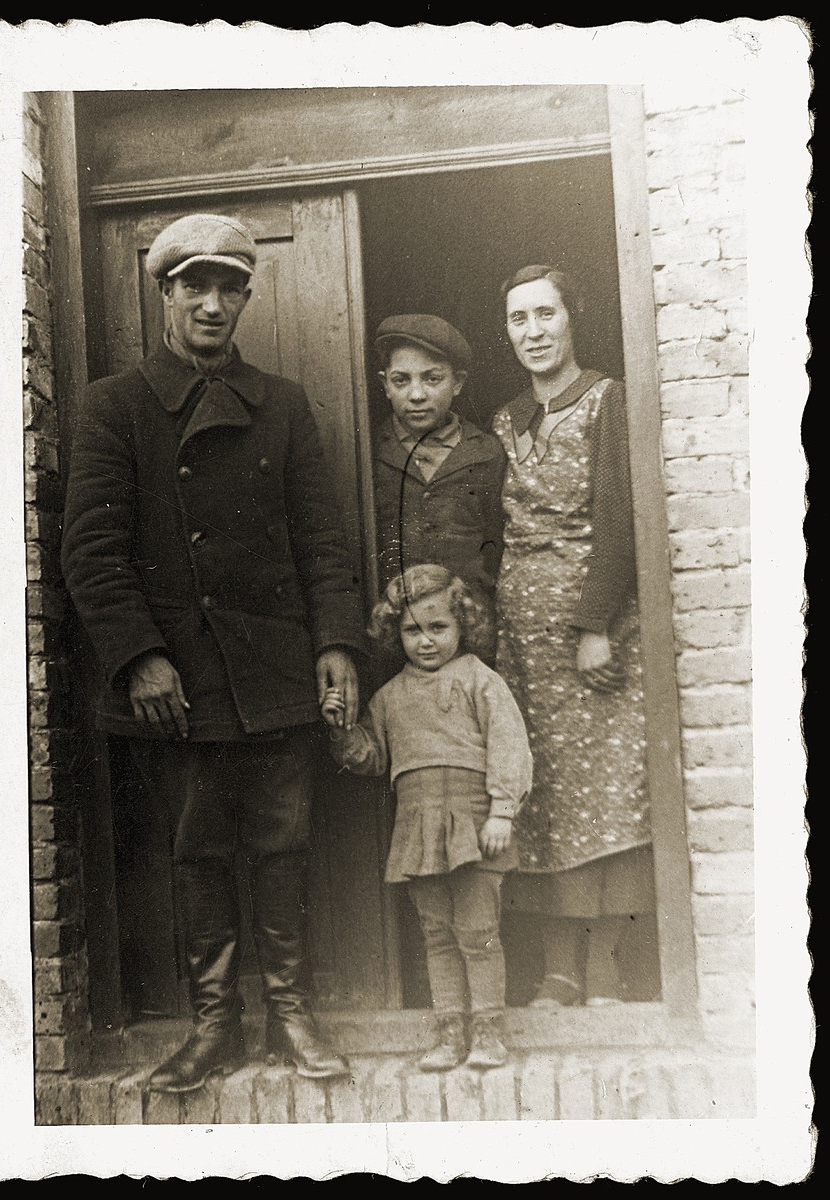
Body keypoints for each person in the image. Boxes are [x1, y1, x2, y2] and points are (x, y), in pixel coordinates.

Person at [61, 212, 366, 1091]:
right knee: (197, 847)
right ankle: (213, 1026)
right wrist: (139, 656)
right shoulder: (113, 406)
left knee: (283, 841)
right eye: (195, 285)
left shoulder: (282, 402)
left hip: (272, 663)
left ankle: (291, 1017)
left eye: (230, 286)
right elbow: (91, 550)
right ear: (165, 292)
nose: (213, 303)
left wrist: (338, 641)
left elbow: (321, 539)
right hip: (180, 674)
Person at [492, 263, 656, 1009]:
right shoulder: (504, 421)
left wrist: (594, 626)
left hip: (588, 641)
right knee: (543, 800)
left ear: (571, 318)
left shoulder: (604, 401)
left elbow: (621, 519)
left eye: (545, 314)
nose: (533, 331)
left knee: (610, 797)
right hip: (521, 647)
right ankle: (559, 969)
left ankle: (606, 970)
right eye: (518, 319)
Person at [322, 564, 533, 1071]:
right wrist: (342, 730)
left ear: (462, 625)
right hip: (418, 828)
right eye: (413, 631)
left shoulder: (481, 681)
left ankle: (488, 1031)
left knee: (478, 931)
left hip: (476, 826)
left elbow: (510, 747)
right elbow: (371, 759)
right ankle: (449, 1032)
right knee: (436, 934)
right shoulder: (389, 696)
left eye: (438, 628)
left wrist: (502, 812)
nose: (426, 641)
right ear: (396, 635)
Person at [372, 314, 507, 640]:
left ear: (457, 382)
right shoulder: (369, 451)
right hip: (395, 631)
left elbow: (497, 543)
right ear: (385, 385)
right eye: (401, 380)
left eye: (432, 379)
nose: (416, 394)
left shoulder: (486, 453)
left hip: (469, 629)